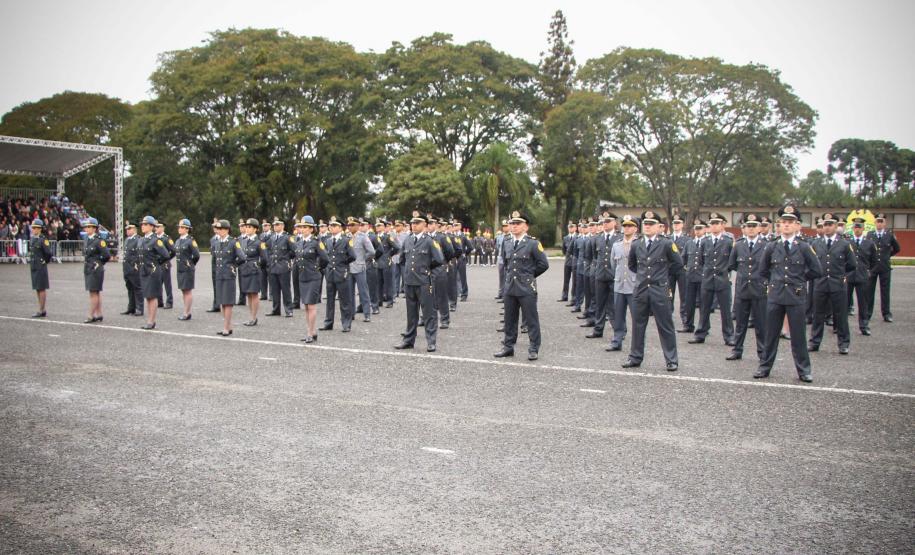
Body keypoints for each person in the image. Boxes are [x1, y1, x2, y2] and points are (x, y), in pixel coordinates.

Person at [755, 205, 822, 382]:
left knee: (798, 336)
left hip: (796, 295)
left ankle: (804, 370)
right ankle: (764, 367)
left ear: (797, 226)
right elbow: (762, 271)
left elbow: (817, 270)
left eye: (790, 222)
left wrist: (799, 279)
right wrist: (774, 282)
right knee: (771, 335)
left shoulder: (804, 247)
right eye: (783, 222)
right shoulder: (771, 246)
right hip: (776, 295)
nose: (786, 225)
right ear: (778, 225)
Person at [621, 210, 683, 371]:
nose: (647, 227)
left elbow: (678, 264)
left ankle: (671, 359)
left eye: (651, 224)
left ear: (659, 227)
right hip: (641, 290)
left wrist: (662, 278)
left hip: (659, 290)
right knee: (638, 325)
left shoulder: (667, 244)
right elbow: (633, 265)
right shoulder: (637, 244)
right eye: (645, 224)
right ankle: (635, 357)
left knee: (665, 326)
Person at [494, 210, 550, 361]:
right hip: (510, 286)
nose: (514, 226)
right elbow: (506, 264)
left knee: (531, 319)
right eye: (512, 223)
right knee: (509, 319)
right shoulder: (507, 242)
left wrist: (528, 276)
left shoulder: (532, 243)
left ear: (526, 227)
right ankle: (508, 346)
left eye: (518, 224)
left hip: (526, 287)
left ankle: (533, 348)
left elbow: (543, 264)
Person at [395, 211, 445, 352]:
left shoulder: (429, 241)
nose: (414, 225)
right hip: (410, 282)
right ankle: (409, 340)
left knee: (429, 313)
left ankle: (431, 341)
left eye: (417, 223)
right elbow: (402, 259)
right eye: (412, 223)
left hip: (424, 282)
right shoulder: (408, 240)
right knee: (411, 314)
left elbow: (439, 260)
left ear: (424, 224)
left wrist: (427, 273)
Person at [808, 212, 856, 355]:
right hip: (820, 284)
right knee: (817, 315)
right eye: (825, 225)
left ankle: (843, 343)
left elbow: (852, 264)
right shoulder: (815, 243)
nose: (827, 228)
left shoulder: (844, 244)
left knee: (840, 315)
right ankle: (815, 342)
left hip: (838, 284)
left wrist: (841, 276)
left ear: (836, 226)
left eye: (830, 225)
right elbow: (811, 263)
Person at [689, 212, 735, 346]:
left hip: (722, 279)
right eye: (712, 224)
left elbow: (732, 261)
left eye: (717, 223)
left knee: (726, 310)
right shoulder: (705, 241)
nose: (714, 226)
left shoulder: (728, 241)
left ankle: (729, 336)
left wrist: (725, 272)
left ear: (722, 225)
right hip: (708, 279)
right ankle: (701, 333)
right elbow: (701, 260)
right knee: (704, 309)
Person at [726, 214, 768, 361]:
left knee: (761, 323)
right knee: (740, 323)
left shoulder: (766, 245)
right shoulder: (739, 244)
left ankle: (762, 352)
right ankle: (737, 350)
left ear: (759, 228)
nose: (750, 229)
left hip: (760, 289)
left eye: (754, 226)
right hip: (743, 288)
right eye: (748, 226)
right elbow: (732, 265)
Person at [293, 216, 328, 343]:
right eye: (301, 227)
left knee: (311, 305)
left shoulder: (316, 242)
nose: (303, 229)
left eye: (306, 227)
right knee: (306, 306)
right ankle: (311, 331)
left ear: (312, 229)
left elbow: (325, 259)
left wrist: (317, 268)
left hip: (313, 276)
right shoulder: (299, 241)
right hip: (303, 277)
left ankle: (310, 333)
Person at [606, 214, 639, 352]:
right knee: (618, 315)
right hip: (619, 285)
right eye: (625, 225)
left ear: (636, 228)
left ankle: (637, 344)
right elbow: (613, 264)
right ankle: (617, 340)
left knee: (636, 317)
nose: (627, 228)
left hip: (634, 286)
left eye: (630, 226)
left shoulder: (639, 244)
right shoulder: (616, 245)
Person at [320, 217, 356, 332]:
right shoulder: (327, 240)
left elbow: (353, 256)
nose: (332, 227)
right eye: (331, 225)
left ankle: (346, 323)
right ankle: (328, 322)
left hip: (341, 273)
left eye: (334, 226)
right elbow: (325, 256)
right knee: (330, 300)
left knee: (344, 300)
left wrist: (343, 264)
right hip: (330, 273)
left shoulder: (346, 240)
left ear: (340, 228)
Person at [586, 212, 619, 339]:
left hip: (613, 276)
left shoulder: (619, 238)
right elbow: (592, 256)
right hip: (600, 275)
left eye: (608, 221)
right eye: (604, 222)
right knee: (599, 304)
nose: (605, 224)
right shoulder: (597, 238)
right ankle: (598, 329)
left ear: (614, 223)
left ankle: (618, 330)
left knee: (614, 306)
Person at [211, 219, 246, 336]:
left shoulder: (233, 242)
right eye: (218, 228)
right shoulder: (216, 242)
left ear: (227, 230)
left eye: (221, 229)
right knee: (221, 301)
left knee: (228, 302)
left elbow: (242, 257)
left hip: (228, 275)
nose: (219, 231)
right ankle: (228, 326)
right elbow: (215, 258)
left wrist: (233, 265)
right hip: (219, 274)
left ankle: (226, 327)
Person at [866, 213, 901, 322]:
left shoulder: (889, 235)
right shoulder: (870, 235)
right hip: (872, 267)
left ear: (885, 223)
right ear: (875, 223)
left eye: (882, 221)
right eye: (878, 221)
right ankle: (867, 313)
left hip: (885, 267)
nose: (880, 224)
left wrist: (887, 256)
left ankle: (886, 314)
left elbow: (897, 248)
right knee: (869, 291)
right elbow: (867, 249)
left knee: (885, 291)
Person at [138, 216, 171, 330]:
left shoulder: (156, 240)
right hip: (144, 271)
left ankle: (151, 321)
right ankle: (149, 320)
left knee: (152, 296)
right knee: (147, 296)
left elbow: (166, 255)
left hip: (152, 271)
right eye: (142, 224)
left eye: (145, 224)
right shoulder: (141, 239)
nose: (143, 226)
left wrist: (155, 264)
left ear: (152, 226)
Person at [847, 217, 876, 335]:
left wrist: (870, 272)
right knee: (844, 302)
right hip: (848, 276)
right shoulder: (847, 242)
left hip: (862, 277)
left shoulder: (869, 243)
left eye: (859, 227)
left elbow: (874, 261)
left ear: (863, 228)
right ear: (852, 228)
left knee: (863, 303)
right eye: (855, 226)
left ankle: (864, 325)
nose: (857, 229)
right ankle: (839, 326)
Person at [678, 219, 706, 333]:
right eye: (696, 229)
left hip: (703, 277)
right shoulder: (689, 243)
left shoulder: (707, 242)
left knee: (704, 304)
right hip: (690, 276)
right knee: (688, 302)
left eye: (700, 228)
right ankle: (688, 325)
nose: (697, 231)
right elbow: (682, 258)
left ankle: (703, 327)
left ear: (704, 229)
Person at [346, 217, 376, 322]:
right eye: (349, 225)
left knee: (363, 292)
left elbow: (372, 252)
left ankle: (367, 314)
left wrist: (363, 259)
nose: (350, 227)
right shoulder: (346, 237)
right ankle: (351, 313)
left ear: (358, 226)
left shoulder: (363, 237)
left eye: (352, 225)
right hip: (349, 267)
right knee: (349, 292)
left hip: (360, 267)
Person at [82, 217, 111, 323]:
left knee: (94, 292)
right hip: (88, 268)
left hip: (95, 269)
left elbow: (107, 255)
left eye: (89, 227)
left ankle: (91, 315)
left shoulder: (99, 241)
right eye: (86, 226)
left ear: (95, 229)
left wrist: (99, 263)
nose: (87, 228)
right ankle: (99, 314)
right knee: (94, 292)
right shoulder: (87, 239)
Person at [238, 218, 266, 326]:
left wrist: (257, 266)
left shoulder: (259, 242)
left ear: (255, 229)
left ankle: (254, 318)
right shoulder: (243, 241)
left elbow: (264, 259)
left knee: (254, 294)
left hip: (254, 271)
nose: (247, 228)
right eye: (247, 226)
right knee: (248, 294)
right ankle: (251, 317)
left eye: (250, 227)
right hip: (245, 270)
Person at [266, 219, 295, 317]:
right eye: (274, 225)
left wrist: (286, 258)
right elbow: (268, 249)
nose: (275, 226)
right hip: (273, 266)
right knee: (274, 289)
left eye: (277, 225)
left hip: (283, 266)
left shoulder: (287, 237)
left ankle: (288, 309)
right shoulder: (272, 237)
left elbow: (294, 251)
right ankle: (276, 309)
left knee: (285, 289)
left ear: (282, 226)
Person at [174, 218, 201, 321]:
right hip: (180, 269)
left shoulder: (190, 241)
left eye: (182, 227)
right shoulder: (178, 240)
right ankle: (185, 311)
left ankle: (187, 313)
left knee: (187, 291)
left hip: (187, 269)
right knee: (183, 290)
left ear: (187, 229)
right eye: (179, 227)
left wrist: (190, 264)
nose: (179, 229)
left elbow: (197, 255)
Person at [27, 218, 53, 318]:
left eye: (35, 228)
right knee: (37, 288)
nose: (33, 230)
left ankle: (41, 310)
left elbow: (48, 253)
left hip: (40, 266)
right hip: (34, 266)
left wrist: (44, 262)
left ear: (40, 229)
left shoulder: (43, 240)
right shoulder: (33, 239)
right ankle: (41, 308)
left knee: (41, 288)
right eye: (33, 228)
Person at [669, 214, 689, 326]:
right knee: (669, 295)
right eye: (674, 223)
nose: (676, 225)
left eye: (678, 223)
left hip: (682, 270)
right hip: (670, 270)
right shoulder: (668, 238)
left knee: (684, 295)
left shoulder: (687, 239)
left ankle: (685, 317)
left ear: (682, 225)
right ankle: (668, 316)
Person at [120, 223, 143, 316]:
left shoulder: (138, 239)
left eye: (129, 228)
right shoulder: (127, 240)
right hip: (127, 268)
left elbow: (140, 253)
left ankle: (139, 308)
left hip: (134, 267)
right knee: (129, 288)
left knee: (137, 288)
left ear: (135, 229)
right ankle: (131, 308)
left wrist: (136, 264)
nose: (127, 230)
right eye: (126, 229)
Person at [155, 222, 175, 309]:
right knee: (157, 283)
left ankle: (169, 302)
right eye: (155, 227)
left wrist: (167, 259)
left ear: (163, 228)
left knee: (167, 283)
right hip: (156, 263)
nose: (156, 228)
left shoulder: (166, 238)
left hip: (164, 263)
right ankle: (159, 301)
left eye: (158, 227)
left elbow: (173, 251)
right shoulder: (154, 238)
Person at [559, 222, 577, 302]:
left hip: (575, 261)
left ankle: (574, 297)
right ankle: (564, 296)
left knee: (575, 280)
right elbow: (563, 250)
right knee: (566, 280)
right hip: (567, 261)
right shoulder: (565, 238)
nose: (571, 228)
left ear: (575, 228)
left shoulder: (578, 237)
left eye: (572, 227)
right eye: (569, 227)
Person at [207, 221, 221, 313]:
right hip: (214, 264)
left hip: (222, 265)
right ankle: (216, 305)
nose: (215, 229)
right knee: (215, 285)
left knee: (222, 286)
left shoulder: (224, 239)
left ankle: (223, 304)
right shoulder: (213, 239)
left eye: (216, 227)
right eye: (214, 227)